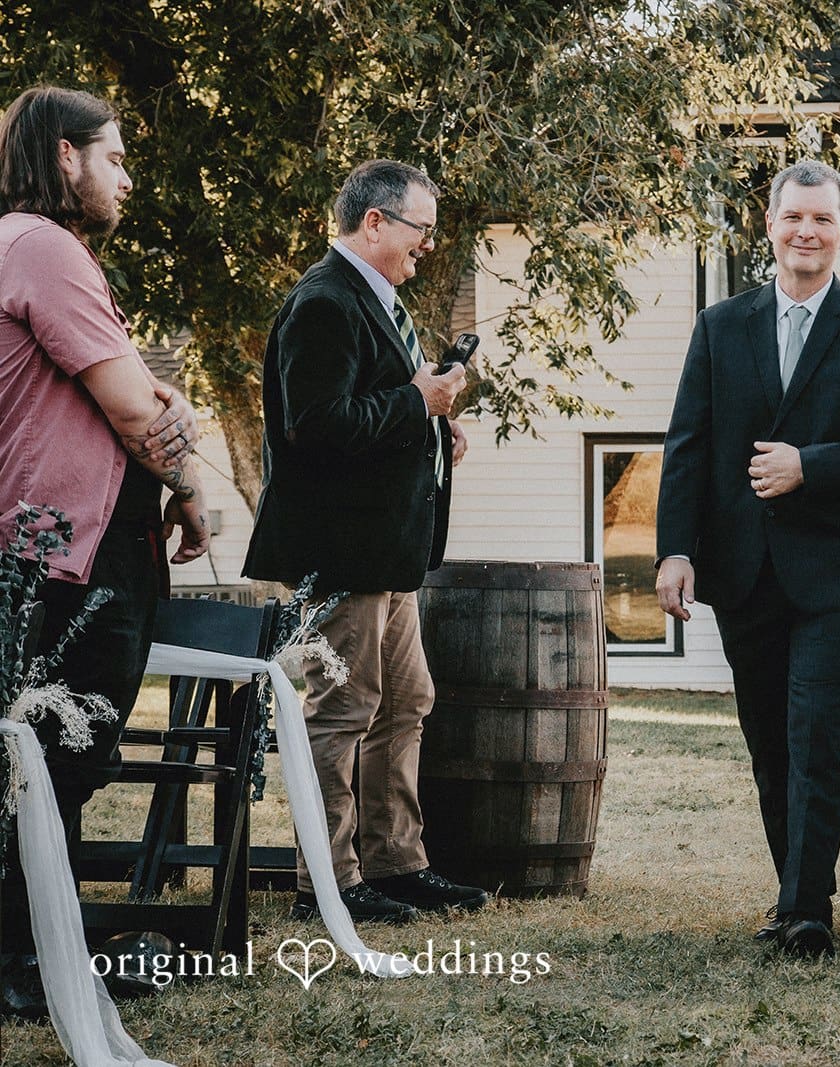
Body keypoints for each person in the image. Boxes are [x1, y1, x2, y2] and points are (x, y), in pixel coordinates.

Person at [655, 159, 840, 958]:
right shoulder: (719, 326)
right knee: (769, 740)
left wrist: (814, 462)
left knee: (816, 731)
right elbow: (688, 446)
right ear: (769, 227)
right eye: (793, 217)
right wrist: (675, 548)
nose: (806, 231)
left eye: (822, 219)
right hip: (743, 569)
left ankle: (808, 910)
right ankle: (794, 889)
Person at [0, 85, 210, 1014]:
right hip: (62, 554)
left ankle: (38, 954)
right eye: (115, 156)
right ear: (66, 158)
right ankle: (30, 967)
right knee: (57, 755)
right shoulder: (44, 246)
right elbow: (136, 405)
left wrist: (170, 411)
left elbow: (136, 395)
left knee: (48, 758)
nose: (128, 175)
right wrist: (192, 480)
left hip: (56, 547)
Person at [243, 159, 486, 924]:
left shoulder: (377, 302)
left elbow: (377, 413)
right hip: (343, 551)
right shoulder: (324, 302)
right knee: (344, 710)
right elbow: (313, 426)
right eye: (421, 228)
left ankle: (396, 861)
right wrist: (417, 400)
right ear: (373, 222)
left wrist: (435, 427)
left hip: (391, 554)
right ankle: (331, 877)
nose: (429, 245)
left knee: (406, 702)